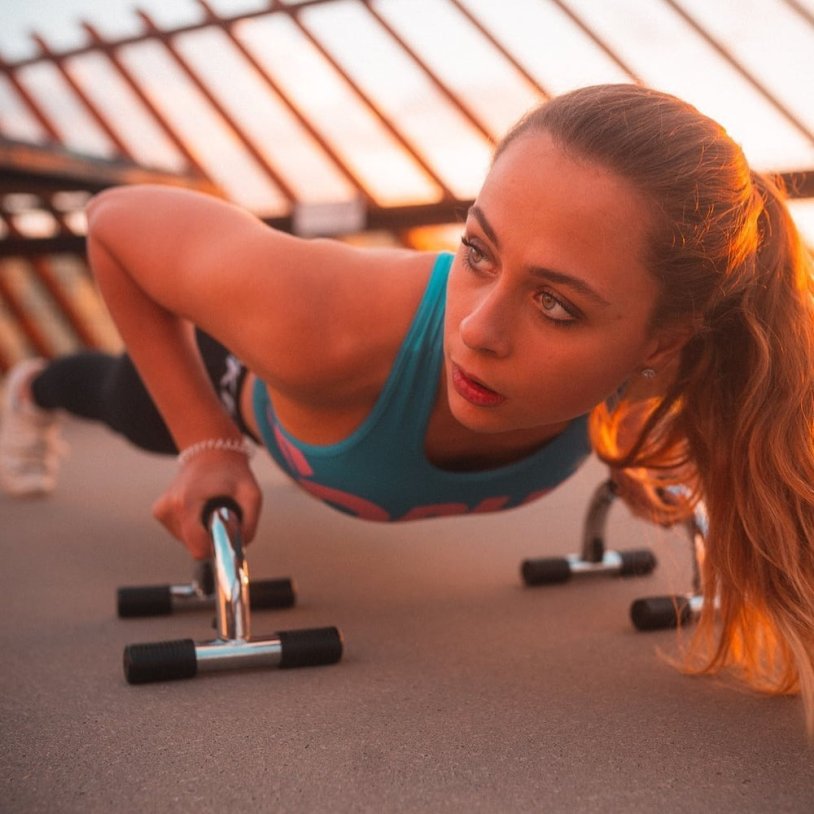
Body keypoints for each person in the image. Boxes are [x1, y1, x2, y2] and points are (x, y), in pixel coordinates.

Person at [1, 84, 812, 732]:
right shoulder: (314, 320)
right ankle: (35, 388)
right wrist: (205, 445)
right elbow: (113, 221)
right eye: (478, 251)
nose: (477, 330)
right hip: (239, 372)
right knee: (119, 397)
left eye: (555, 305)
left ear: (662, 342)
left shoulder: (704, 362)